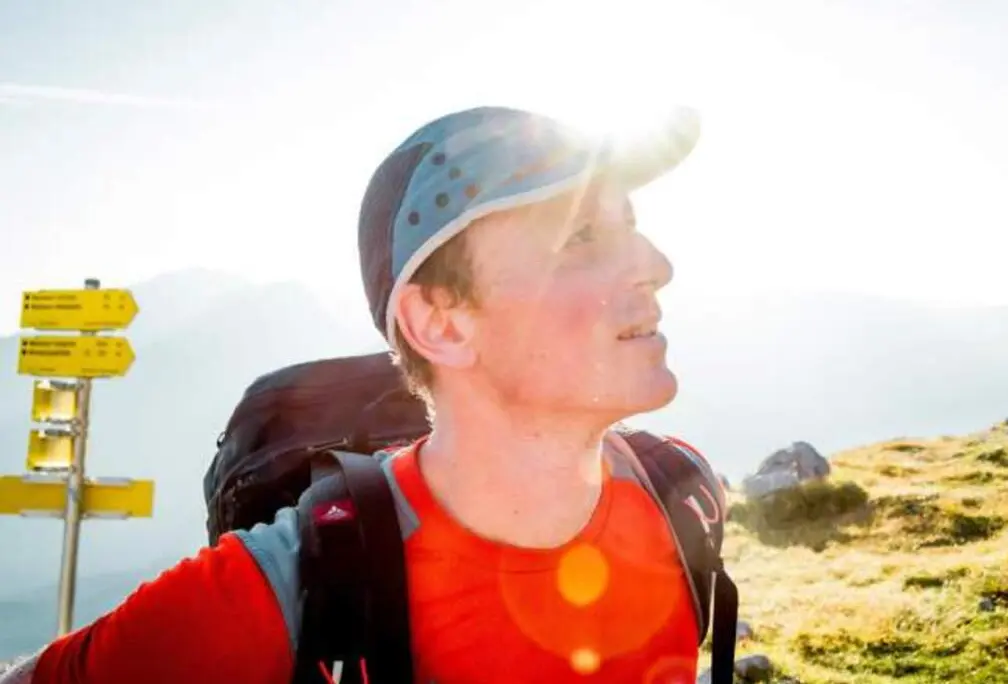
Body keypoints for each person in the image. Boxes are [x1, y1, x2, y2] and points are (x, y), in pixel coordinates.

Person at [2, 104, 721, 684]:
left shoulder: (679, 491)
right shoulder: (289, 585)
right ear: (440, 322)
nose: (656, 265)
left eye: (632, 226)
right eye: (581, 237)